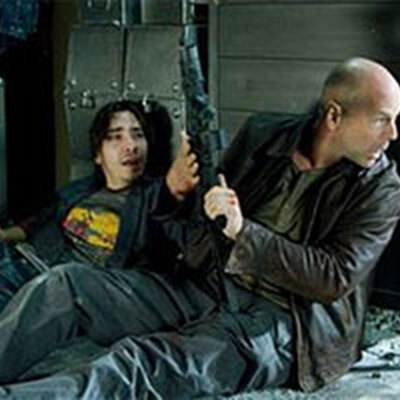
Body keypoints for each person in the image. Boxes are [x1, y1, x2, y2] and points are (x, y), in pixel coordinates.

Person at [0, 57, 399, 400]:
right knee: (63, 286)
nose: (393, 134)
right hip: (209, 283)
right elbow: (198, 229)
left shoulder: (381, 187)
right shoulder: (264, 135)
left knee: (138, 363)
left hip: (287, 323)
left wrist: (244, 232)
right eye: (383, 120)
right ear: (334, 116)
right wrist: (175, 193)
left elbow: (334, 277)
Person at [0, 99, 195, 313]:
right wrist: (4, 235)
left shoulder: (152, 196)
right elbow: (37, 223)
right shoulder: (79, 190)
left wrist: (178, 182)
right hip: (29, 263)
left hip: (70, 288)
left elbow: (167, 203)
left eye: (138, 135)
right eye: (116, 137)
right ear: (98, 155)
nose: (131, 146)